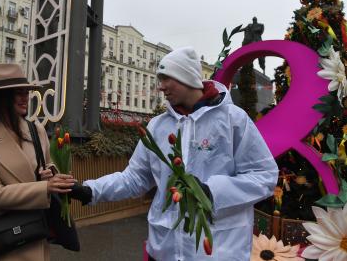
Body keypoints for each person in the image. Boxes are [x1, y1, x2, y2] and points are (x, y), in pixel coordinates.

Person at [71, 47, 279, 260]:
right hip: (163, 250)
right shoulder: (157, 126)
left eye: (166, 79)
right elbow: (135, 178)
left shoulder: (233, 120)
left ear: (186, 77)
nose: (161, 87)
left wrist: (211, 191)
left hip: (218, 251)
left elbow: (264, 176)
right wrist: (91, 191)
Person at [0, 63, 76, 261]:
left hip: (33, 227)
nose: (26, 97)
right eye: (18, 93)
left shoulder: (35, 129)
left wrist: (49, 173)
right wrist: (44, 187)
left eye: (27, 91)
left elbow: (46, 164)